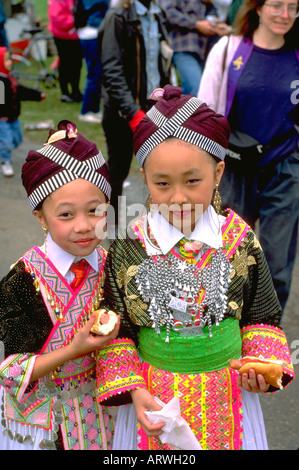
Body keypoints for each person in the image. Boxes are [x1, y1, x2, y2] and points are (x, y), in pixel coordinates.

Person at [94, 85, 294, 450]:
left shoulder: (237, 239)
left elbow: (262, 316)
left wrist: (261, 368)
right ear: (144, 176)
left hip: (229, 395)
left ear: (218, 172)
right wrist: (133, 390)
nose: (178, 197)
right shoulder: (130, 244)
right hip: (155, 399)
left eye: (192, 181)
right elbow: (113, 325)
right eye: (162, 184)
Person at [0, 120, 120, 450]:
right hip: (45, 421)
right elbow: (11, 371)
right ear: (40, 216)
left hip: (105, 412)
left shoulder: (114, 268)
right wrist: (72, 351)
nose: (83, 226)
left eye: (96, 211)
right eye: (66, 215)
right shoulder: (22, 280)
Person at [198, 0, 299, 312]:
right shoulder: (229, 50)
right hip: (235, 169)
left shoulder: (296, 55)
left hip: (285, 170)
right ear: (257, 8)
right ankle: (225, 331)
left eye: (293, 7)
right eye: (276, 6)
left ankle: (267, 338)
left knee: (276, 262)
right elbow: (206, 112)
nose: (284, 15)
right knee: (226, 256)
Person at [100, 0, 172, 230]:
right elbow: (111, 70)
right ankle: (113, 230)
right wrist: (132, 112)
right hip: (123, 112)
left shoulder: (156, 13)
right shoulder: (118, 16)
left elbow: (160, 63)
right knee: (118, 170)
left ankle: (158, 229)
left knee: (160, 170)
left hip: (153, 109)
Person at [158, 0, 230, 97]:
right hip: (182, 49)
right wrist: (196, 24)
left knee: (196, 93)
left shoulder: (209, 6)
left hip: (203, 54)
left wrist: (216, 26)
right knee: (198, 91)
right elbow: (166, 12)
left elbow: (207, 23)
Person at [0, 47, 45, 177]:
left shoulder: (11, 78)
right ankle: (5, 161)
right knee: (7, 141)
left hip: (13, 118)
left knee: (17, 139)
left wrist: (38, 95)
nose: (11, 62)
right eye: (7, 60)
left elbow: (20, 91)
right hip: (2, 120)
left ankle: (4, 149)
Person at [74, 0, 109, 123]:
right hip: (92, 33)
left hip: (90, 32)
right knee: (95, 73)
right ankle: (86, 110)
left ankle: (94, 109)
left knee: (97, 74)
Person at [48, 0, 83, 103]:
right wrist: (75, 20)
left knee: (76, 65)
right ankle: (65, 92)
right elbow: (56, 16)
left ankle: (75, 90)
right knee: (65, 64)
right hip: (62, 36)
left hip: (74, 35)